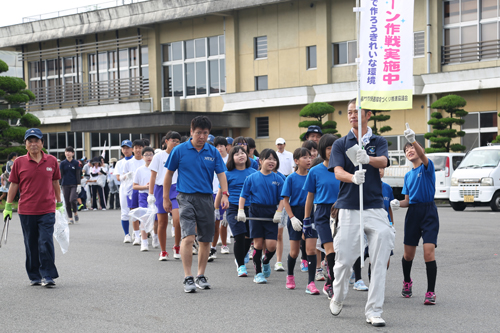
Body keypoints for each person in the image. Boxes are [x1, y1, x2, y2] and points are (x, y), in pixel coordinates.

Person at [328, 99, 395, 327]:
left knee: (381, 251)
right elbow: (337, 171)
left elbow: (384, 161)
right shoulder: (341, 143)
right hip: (348, 205)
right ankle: (338, 295)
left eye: (356, 112)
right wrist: (352, 177)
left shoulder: (378, 140)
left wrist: (368, 159)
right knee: (344, 259)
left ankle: (374, 310)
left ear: (368, 114)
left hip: (375, 206)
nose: (352, 116)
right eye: (349, 112)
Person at [163, 116, 229, 293]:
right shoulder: (180, 150)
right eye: (198, 132)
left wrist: (224, 194)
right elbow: (168, 174)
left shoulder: (212, 151)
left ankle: (201, 274)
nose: (201, 136)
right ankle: (187, 277)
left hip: (206, 198)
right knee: (189, 237)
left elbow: (221, 174)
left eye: (205, 133)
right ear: (191, 131)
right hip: (185, 197)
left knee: (205, 239)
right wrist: (165, 198)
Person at [3, 128, 62, 287]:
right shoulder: (19, 162)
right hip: (26, 210)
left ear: (42, 143)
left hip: (47, 209)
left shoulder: (52, 161)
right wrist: (8, 206)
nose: (34, 144)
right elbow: (14, 185)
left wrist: (59, 203)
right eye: (30, 141)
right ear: (25, 145)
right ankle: (34, 275)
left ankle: (47, 275)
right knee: (31, 244)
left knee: (45, 241)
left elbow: (55, 182)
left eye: (37, 141)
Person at [391, 124, 439, 306]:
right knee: (408, 255)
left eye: (412, 147)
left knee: (428, 253)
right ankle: (407, 281)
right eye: (406, 149)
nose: (410, 150)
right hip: (413, 213)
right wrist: (396, 203)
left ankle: (431, 292)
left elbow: (423, 156)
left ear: (419, 150)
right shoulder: (408, 175)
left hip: (429, 212)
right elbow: (407, 201)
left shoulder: (427, 167)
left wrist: (413, 139)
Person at [238, 149, 284, 284]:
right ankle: (258, 273)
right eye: (268, 159)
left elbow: (283, 198)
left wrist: (279, 212)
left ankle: (266, 261)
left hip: (271, 213)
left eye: (274, 159)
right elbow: (243, 195)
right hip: (255, 211)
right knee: (257, 244)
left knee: (271, 246)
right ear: (261, 161)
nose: (272, 162)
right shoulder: (251, 178)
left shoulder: (278, 179)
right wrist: (241, 210)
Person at [303, 134, 340, 299]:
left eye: (335, 148)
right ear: (322, 150)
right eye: (328, 148)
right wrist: (306, 219)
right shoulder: (315, 171)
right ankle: (331, 284)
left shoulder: (343, 169)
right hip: (323, 213)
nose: (332, 152)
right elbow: (310, 197)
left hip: (341, 211)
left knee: (339, 251)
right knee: (330, 250)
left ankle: (331, 281)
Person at [282, 147, 320, 294]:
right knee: (294, 252)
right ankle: (290, 275)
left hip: (311, 213)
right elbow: (286, 200)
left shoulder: (313, 175)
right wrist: (291, 218)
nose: (309, 160)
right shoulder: (291, 178)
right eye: (305, 157)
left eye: (310, 157)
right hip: (295, 214)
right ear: (296, 161)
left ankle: (311, 283)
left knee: (310, 250)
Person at [214, 145, 257, 277]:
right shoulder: (226, 174)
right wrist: (216, 208)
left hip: (251, 207)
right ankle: (241, 265)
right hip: (233, 207)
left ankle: (241, 256)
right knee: (239, 235)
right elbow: (221, 192)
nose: (241, 155)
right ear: (232, 158)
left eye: (243, 153)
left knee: (249, 237)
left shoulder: (253, 173)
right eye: (237, 154)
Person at [148, 131, 182, 260]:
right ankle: (163, 251)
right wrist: (151, 194)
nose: (175, 143)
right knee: (162, 222)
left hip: (176, 188)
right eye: (173, 140)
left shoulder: (180, 155)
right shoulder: (158, 156)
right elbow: (153, 175)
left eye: (178, 141)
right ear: (166, 141)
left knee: (177, 220)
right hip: (160, 189)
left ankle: (177, 246)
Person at [209, 136, 230, 261]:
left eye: (221, 146)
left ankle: (224, 244)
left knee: (225, 222)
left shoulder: (229, 160)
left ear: (226, 146)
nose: (219, 148)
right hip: (212, 193)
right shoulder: (211, 158)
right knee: (215, 222)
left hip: (225, 193)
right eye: (216, 146)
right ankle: (213, 247)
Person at [123, 139, 146, 245]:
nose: (138, 150)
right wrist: (127, 176)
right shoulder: (128, 163)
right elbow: (123, 176)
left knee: (144, 213)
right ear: (132, 149)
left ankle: (143, 234)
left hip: (144, 189)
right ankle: (137, 236)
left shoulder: (146, 161)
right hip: (132, 190)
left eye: (140, 147)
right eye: (136, 148)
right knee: (134, 212)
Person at [133, 146, 155, 252]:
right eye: (146, 155)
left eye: (151, 154)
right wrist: (145, 187)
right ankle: (144, 242)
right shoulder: (139, 170)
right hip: (143, 196)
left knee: (156, 219)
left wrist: (153, 186)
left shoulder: (157, 169)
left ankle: (155, 236)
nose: (149, 157)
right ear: (142, 157)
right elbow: (134, 186)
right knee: (144, 219)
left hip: (155, 195)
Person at [115, 140, 135, 242]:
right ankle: (127, 234)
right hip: (124, 188)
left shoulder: (136, 160)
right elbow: (118, 177)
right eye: (123, 148)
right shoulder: (119, 163)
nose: (125, 150)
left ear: (132, 149)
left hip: (135, 187)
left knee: (136, 210)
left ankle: (137, 232)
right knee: (124, 211)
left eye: (127, 148)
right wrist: (126, 175)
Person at [59, 146, 81, 224]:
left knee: (72, 199)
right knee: (67, 201)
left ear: (73, 153)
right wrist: (59, 184)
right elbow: (60, 174)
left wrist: (79, 184)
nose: (67, 153)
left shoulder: (76, 163)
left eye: (69, 152)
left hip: (74, 184)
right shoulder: (62, 163)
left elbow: (78, 174)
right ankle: (70, 218)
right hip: (65, 184)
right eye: (66, 152)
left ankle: (75, 212)